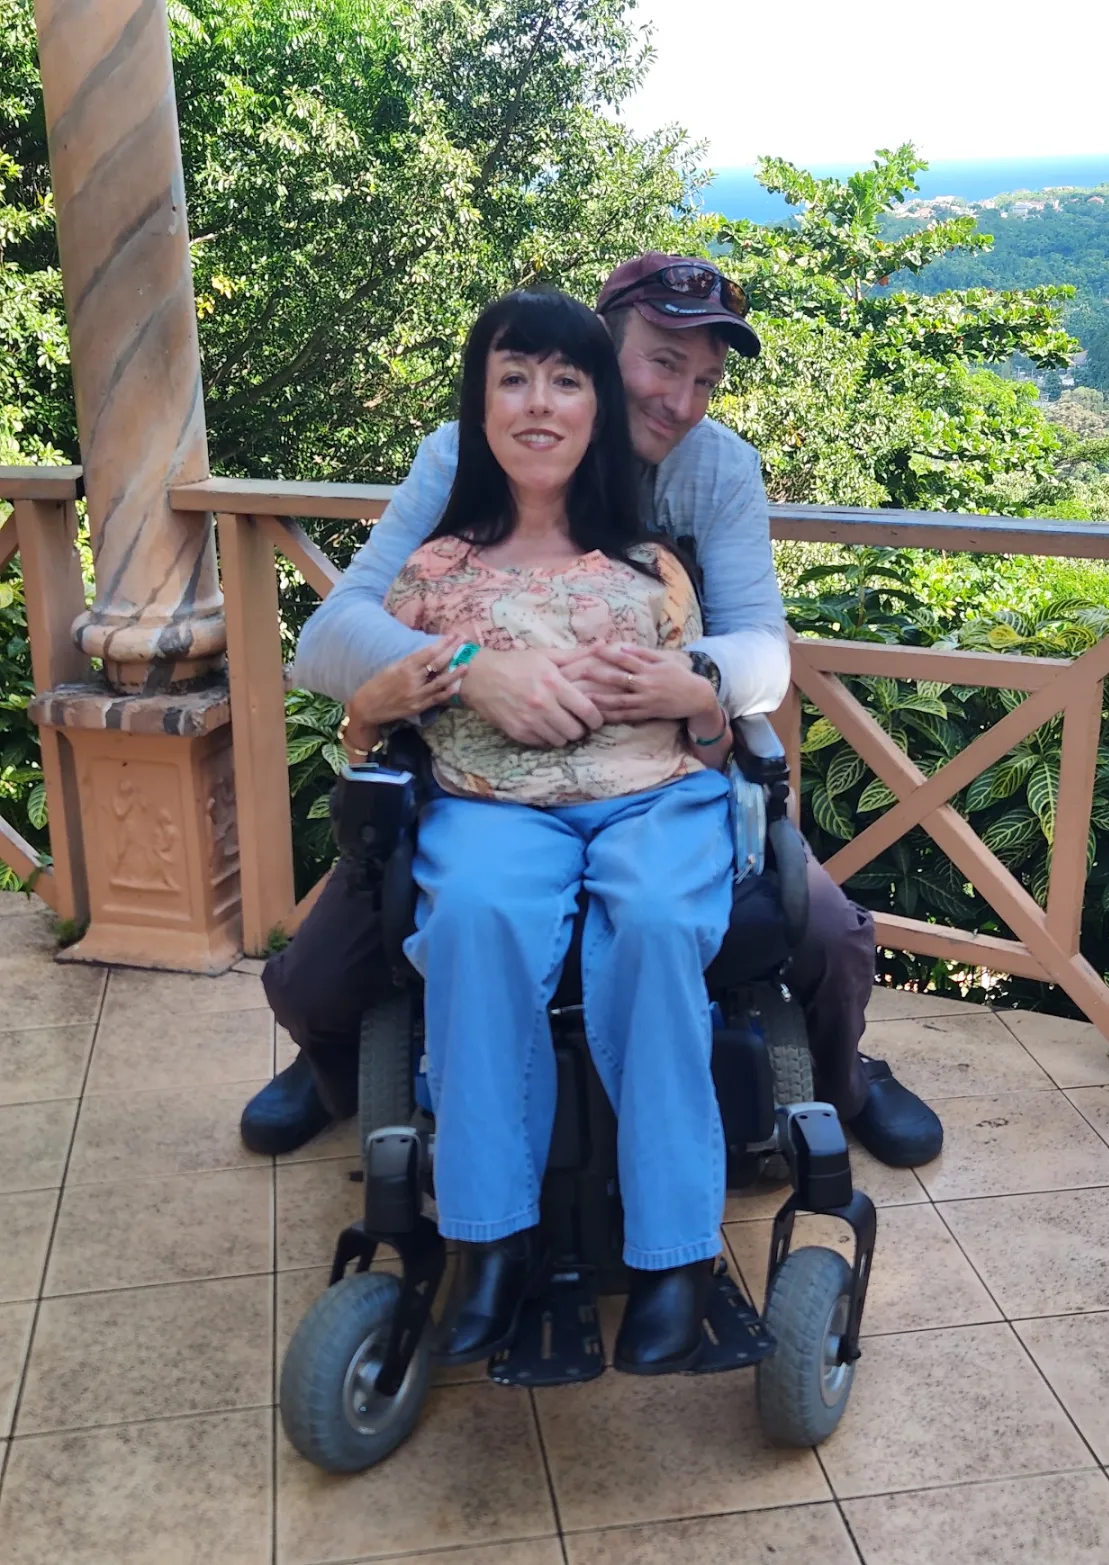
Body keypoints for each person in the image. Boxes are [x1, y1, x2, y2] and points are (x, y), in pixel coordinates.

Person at [241, 252, 942, 1170]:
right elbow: (332, 638)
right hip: (491, 779)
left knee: (832, 936)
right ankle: (340, 1077)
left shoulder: (719, 470)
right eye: (660, 362)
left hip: (658, 773)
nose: (681, 402)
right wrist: (471, 666)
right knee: (313, 980)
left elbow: (765, 650)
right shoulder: (466, 451)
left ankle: (843, 1078)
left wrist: (691, 674)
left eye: (704, 380)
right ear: (599, 351)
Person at [382, 288, 734, 1370]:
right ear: (478, 405)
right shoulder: (431, 574)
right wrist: (436, 683)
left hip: (652, 797)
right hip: (495, 806)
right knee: (477, 920)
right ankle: (490, 1239)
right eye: (513, 377)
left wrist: (700, 700)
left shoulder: (651, 569)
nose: (540, 404)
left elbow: (716, 739)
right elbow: (363, 707)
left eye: (566, 380)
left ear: (594, 409)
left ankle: (674, 1250)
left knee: (658, 920)